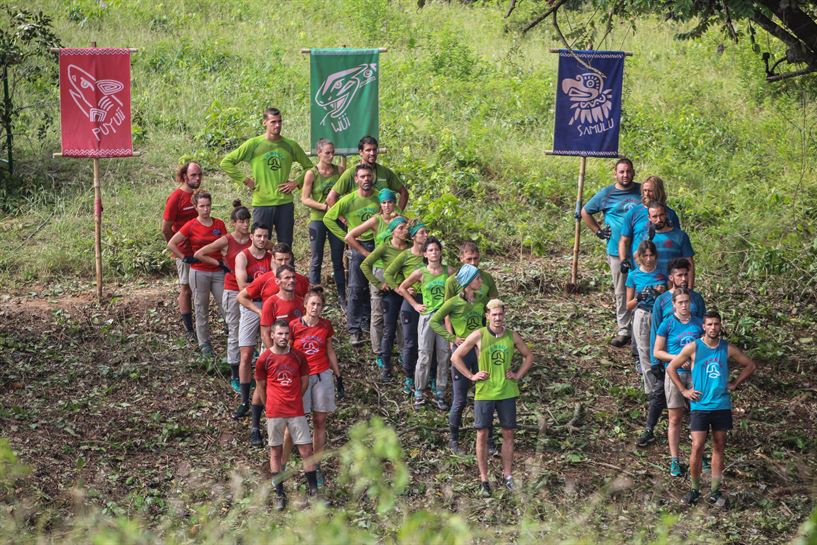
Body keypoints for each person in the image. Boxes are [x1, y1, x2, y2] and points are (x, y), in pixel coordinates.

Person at [667, 311, 756, 505]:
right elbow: (671, 367)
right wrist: (683, 390)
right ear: (704, 326)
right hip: (700, 405)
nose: (713, 327)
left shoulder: (727, 348)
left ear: (720, 326)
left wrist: (735, 384)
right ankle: (694, 489)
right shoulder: (694, 347)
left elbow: (749, 365)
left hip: (721, 404)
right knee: (697, 446)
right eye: (710, 324)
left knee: (719, 446)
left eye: (716, 324)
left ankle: (715, 491)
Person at [451, 299, 534, 496]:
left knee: (508, 434)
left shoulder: (512, 335)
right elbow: (455, 357)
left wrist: (518, 374)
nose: (497, 318)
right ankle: (484, 480)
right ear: (487, 315)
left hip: (506, 391)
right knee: (482, 434)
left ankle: (507, 476)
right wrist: (472, 376)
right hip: (485, 392)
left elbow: (528, 356)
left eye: (500, 314)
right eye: (494, 314)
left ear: (504, 315)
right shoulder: (479, 335)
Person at [638, 258, 706, 447]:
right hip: (668, 358)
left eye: (686, 274)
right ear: (672, 277)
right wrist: (655, 361)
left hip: (693, 361)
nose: (684, 278)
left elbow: (704, 330)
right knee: (658, 393)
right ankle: (649, 429)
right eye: (680, 275)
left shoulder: (696, 299)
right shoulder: (662, 300)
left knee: (697, 395)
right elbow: (655, 331)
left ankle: (696, 436)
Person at [220, 107, 313, 245]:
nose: (277, 125)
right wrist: (245, 180)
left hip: (284, 203)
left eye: (280, 122)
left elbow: (310, 167)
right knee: (260, 244)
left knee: (286, 244)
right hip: (262, 202)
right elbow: (226, 162)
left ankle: (286, 267)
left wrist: (296, 182)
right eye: (273, 122)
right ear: (264, 123)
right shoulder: (254, 144)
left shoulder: (290, 145)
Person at [255, 319, 318, 510]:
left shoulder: (298, 356)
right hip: (275, 412)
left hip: (296, 410)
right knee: (276, 451)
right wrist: (269, 406)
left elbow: (304, 381)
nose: (283, 337)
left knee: (306, 450)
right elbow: (260, 386)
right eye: (279, 334)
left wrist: (295, 398)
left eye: (286, 334)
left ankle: (314, 493)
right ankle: (280, 495)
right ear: (272, 335)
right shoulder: (264, 359)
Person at [581, 158, 642, 347]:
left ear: (633, 172)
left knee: (642, 287)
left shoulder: (641, 191)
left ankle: (640, 328)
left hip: (642, 251)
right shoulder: (607, 194)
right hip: (617, 250)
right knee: (621, 291)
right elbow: (585, 211)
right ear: (615, 173)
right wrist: (598, 231)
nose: (625, 175)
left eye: (628, 171)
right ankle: (624, 329)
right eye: (621, 172)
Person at [193, 201, 252, 392]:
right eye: (241, 221)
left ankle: (249, 372)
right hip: (233, 290)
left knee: (252, 332)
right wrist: (220, 264)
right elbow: (200, 253)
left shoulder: (254, 239)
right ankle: (235, 374)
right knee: (234, 331)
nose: (245, 225)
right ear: (234, 223)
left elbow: (272, 249)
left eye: (247, 221)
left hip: (251, 291)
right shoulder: (227, 240)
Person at [430, 264, 489, 454]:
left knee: (487, 396)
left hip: (480, 352)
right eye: (477, 278)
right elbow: (434, 321)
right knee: (460, 400)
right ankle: (453, 440)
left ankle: (490, 440)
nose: (480, 281)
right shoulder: (454, 302)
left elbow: (485, 321)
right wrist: (452, 338)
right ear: (468, 282)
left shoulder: (481, 299)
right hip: (462, 353)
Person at [245, 265, 305, 447]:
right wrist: (274, 354)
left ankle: (290, 432)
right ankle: (255, 426)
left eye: (293, 277)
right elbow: (264, 331)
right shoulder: (271, 302)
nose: (291, 281)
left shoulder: (301, 302)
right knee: (263, 385)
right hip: (272, 351)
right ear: (278, 281)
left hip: (294, 354)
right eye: (286, 278)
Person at [289, 288, 343, 487]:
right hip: (301, 377)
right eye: (312, 303)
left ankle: (316, 463)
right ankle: (300, 457)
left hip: (322, 374)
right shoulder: (294, 326)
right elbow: (288, 353)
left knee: (320, 420)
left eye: (319, 304)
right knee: (299, 419)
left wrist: (338, 375)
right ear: (305, 304)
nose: (315, 308)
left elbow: (329, 349)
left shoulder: (325, 325)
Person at [323, 164, 380, 347]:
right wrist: (346, 238)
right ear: (356, 179)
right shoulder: (348, 200)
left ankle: (371, 325)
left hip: (378, 246)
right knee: (356, 288)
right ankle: (354, 329)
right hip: (358, 245)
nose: (366, 179)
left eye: (368, 176)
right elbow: (328, 218)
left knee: (377, 288)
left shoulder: (380, 197)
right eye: (362, 176)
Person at [167, 191, 227, 357]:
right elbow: (172, 243)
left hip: (218, 271)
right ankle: (204, 343)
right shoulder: (191, 225)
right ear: (196, 207)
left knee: (226, 305)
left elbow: (225, 246)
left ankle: (233, 336)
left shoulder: (219, 224)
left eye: (208, 205)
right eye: (202, 206)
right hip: (199, 271)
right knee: (201, 308)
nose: (206, 209)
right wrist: (185, 258)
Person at [346, 188, 404, 358]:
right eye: (384, 203)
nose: (387, 206)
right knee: (377, 311)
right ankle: (378, 350)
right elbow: (350, 236)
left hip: (398, 271)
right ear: (380, 204)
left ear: (395, 203)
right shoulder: (376, 220)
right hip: (378, 269)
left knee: (400, 312)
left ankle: (402, 350)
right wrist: (367, 254)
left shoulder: (401, 220)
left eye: (390, 202)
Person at [399, 237, 454, 410]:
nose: (434, 252)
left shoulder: (449, 271)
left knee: (444, 355)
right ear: (425, 253)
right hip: (428, 316)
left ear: (441, 252)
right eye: (430, 250)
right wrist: (415, 304)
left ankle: (440, 392)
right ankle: (419, 393)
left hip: (444, 317)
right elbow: (402, 287)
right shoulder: (421, 272)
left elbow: (461, 287)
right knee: (424, 355)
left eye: (437, 249)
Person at [654, 288, 704, 477]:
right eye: (680, 302)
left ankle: (700, 455)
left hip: (696, 375)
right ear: (674, 304)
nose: (684, 305)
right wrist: (677, 357)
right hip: (675, 374)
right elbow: (657, 352)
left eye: (687, 302)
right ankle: (675, 460)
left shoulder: (700, 323)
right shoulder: (667, 324)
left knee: (699, 416)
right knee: (675, 418)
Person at [361, 217, 410, 381]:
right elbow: (365, 265)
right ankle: (385, 364)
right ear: (393, 231)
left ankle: (406, 359)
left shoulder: (410, 248)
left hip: (407, 292)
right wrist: (379, 284)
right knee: (389, 328)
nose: (404, 231)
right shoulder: (385, 248)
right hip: (391, 292)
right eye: (401, 228)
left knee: (404, 326)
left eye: (405, 228)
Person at [301, 139, 346, 307]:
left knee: (337, 259)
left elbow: (347, 194)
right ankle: (314, 297)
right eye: (327, 152)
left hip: (335, 220)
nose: (331, 155)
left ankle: (342, 295)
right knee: (316, 258)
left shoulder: (340, 171)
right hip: (318, 220)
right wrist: (324, 207)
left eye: (332, 152)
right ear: (319, 153)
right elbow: (305, 198)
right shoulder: (312, 173)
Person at [386, 219, 429, 394]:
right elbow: (388, 273)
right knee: (410, 342)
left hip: (429, 301)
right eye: (422, 233)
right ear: (413, 237)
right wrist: (400, 288)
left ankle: (429, 377)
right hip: (411, 303)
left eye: (426, 233)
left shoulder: (431, 255)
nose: (426, 236)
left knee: (427, 343)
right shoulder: (405, 255)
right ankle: (409, 377)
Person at [233, 223, 272, 413]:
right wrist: (264, 285)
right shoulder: (243, 256)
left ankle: (264, 397)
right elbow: (242, 285)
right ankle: (243, 400)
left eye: (265, 236)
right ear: (252, 236)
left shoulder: (271, 258)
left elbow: (277, 282)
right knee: (246, 354)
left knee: (267, 353)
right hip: (250, 304)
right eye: (258, 236)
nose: (262, 240)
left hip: (268, 304)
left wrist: (256, 285)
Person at [161, 161, 201, 342]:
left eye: (199, 174)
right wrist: (175, 247)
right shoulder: (176, 197)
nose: (197, 178)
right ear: (184, 176)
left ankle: (202, 325)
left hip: (202, 249)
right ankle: (188, 328)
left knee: (202, 287)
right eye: (193, 175)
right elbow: (166, 228)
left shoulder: (199, 196)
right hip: (184, 251)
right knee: (186, 288)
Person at [325, 136, 407, 210]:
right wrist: (344, 219)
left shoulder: (385, 172)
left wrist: (397, 215)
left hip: (382, 224)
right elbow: (330, 198)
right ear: (360, 152)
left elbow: (404, 193)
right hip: (359, 223)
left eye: (374, 149)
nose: (372, 153)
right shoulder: (351, 173)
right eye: (368, 150)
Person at [618, 175, 681, 265]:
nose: (647, 194)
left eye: (650, 191)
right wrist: (623, 260)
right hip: (639, 267)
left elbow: (677, 241)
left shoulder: (670, 214)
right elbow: (624, 240)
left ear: (659, 192)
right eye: (645, 190)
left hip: (664, 265)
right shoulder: (633, 213)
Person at [644, 201, 695, 284]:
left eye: (661, 215)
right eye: (655, 217)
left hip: (676, 285)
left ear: (666, 215)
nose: (659, 220)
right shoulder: (646, 237)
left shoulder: (680, 236)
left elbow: (689, 263)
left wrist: (689, 288)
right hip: (653, 283)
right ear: (649, 218)